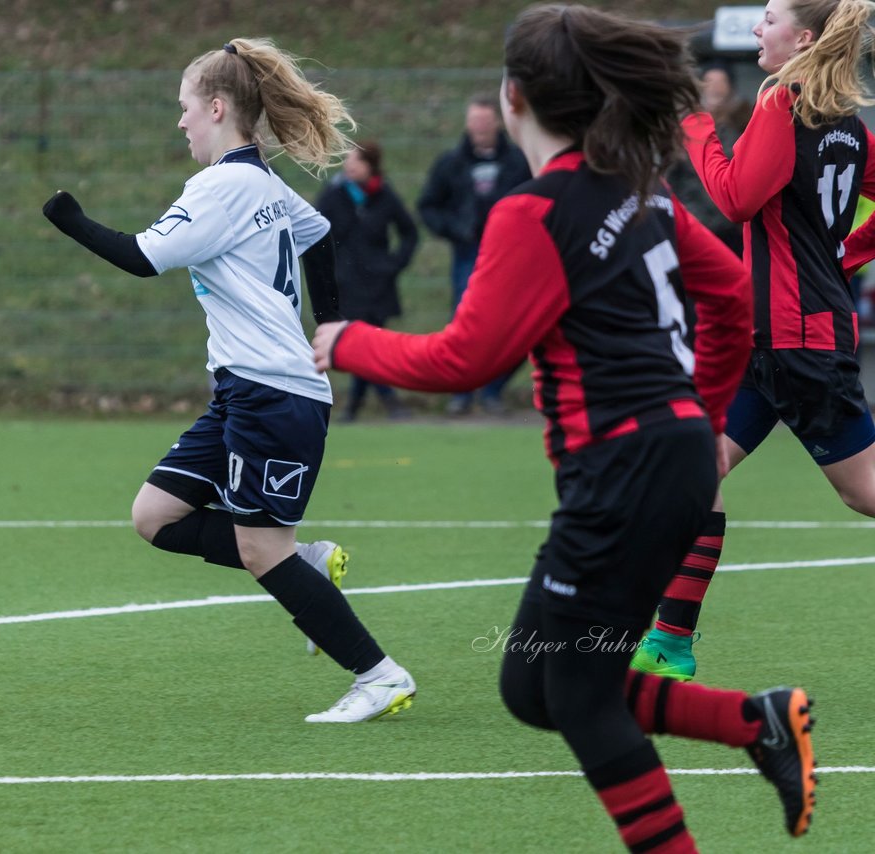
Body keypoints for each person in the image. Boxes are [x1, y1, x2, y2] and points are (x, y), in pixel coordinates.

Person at [313, 5, 814, 848]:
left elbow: (466, 359)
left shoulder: (534, 212)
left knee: (578, 697)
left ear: (514, 100)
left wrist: (348, 340)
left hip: (623, 472)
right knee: (533, 685)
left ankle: (740, 748)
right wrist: (703, 415)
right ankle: (755, 722)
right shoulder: (639, 192)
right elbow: (730, 292)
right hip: (667, 461)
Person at [42, 37, 415, 723]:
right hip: (245, 391)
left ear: (216, 107)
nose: (180, 123)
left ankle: (378, 675)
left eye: (185, 108)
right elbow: (321, 233)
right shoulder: (264, 185)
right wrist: (327, 324)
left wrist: (68, 219)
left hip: (275, 394)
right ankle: (307, 560)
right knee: (154, 516)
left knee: (257, 549)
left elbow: (141, 257)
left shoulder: (221, 189)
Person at [634, 0, 875, 681]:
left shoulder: (782, 104)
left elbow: (735, 197)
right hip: (764, 336)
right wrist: (842, 259)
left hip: (797, 342)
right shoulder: (850, 129)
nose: (756, 29)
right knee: (692, 468)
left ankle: (669, 642)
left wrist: (696, 128)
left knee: (864, 492)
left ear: (802, 37)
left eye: (768, 18)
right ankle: (669, 644)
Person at [417, 93, 530, 415]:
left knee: (515, 324)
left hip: (511, 255)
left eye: (485, 120)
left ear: (497, 122)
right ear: (467, 124)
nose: (480, 126)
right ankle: (462, 393)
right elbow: (428, 206)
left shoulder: (519, 162)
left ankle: (492, 390)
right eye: (474, 121)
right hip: (468, 253)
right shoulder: (450, 163)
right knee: (466, 324)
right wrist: (454, 229)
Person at [315, 139, 419, 421]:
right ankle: (386, 402)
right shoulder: (333, 195)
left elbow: (410, 232)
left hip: (378, 286)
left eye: (356, 161)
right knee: (363, 344)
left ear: (371, 166)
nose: (349, 166)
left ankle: (355, 408)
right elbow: (314, 233)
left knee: (370, 344)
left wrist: (394, 265)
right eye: (347, 160)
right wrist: (329, 271)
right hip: (348, 286)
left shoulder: (385, 195)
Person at [665, 60, 753, 256]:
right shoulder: (686, 126)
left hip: (732, 227)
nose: (715, 88)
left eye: (721, 82)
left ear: (730, 86)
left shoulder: (744, 123)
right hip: (695, 222)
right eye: (709, 81)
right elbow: (670, 177)